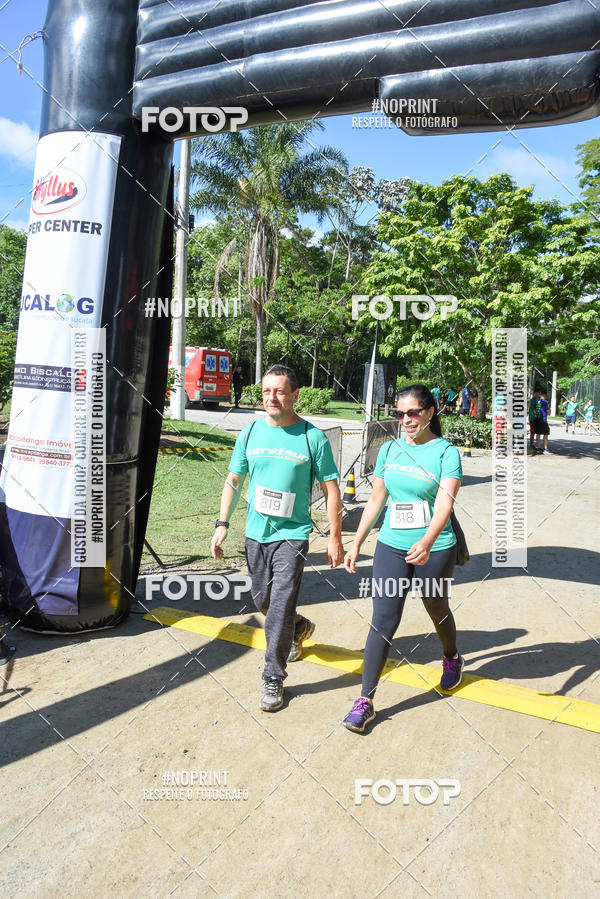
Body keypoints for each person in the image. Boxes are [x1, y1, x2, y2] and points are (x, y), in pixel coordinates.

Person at [211, 365, 344, 712]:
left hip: (293, 536)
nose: (271, 397)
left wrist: (335, 539)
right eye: (267, 391)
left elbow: (331, 491)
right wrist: (222, 521)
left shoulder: (311, 437)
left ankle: (274, 676)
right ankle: (297, 627)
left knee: (280, 605)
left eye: (280, 391)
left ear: (295, 395)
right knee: (262, 600)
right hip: (256, 534)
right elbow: (233, 480)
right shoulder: (251, 432)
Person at [341, 384, 463, 733]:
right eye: (399, 413)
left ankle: (452, 656)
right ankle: (365, 701)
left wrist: (427, 541)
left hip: (435, 547)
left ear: (430, 412)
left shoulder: (446, 453)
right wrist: (357, 542)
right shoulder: (390, 449)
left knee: (435, 606)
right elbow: (377, 499)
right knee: (383, 617)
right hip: (392, 544)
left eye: (413, 413)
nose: (405, 420)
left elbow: (444, 504)